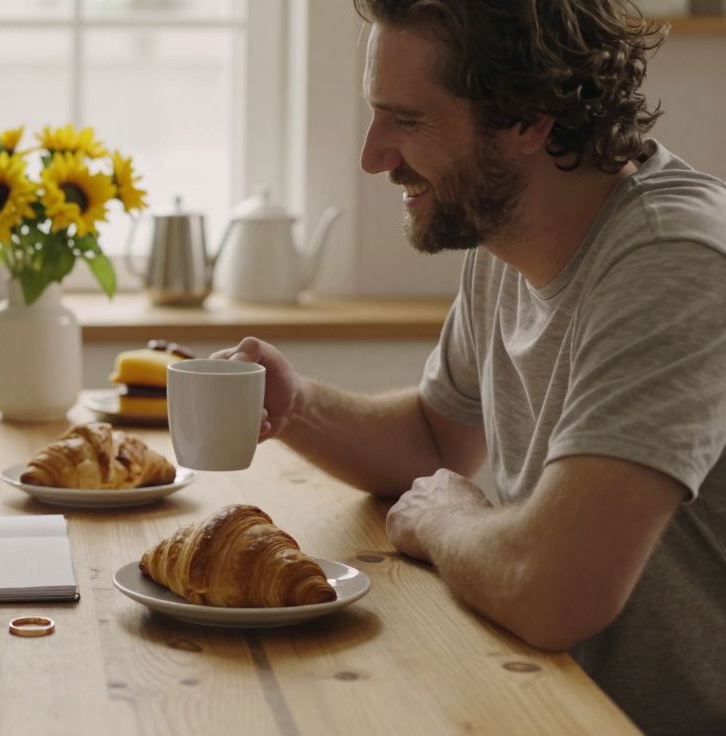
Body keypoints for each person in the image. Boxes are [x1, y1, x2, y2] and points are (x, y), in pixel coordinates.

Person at [216, 2, 725, 733]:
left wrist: (446, 521)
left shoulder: (674, 261)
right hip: (543, 698)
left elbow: (552, 591)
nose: (373, 155)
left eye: (407, 120)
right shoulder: (504, 237)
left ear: (529, 117)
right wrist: (296, 405)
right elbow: (433, 439)